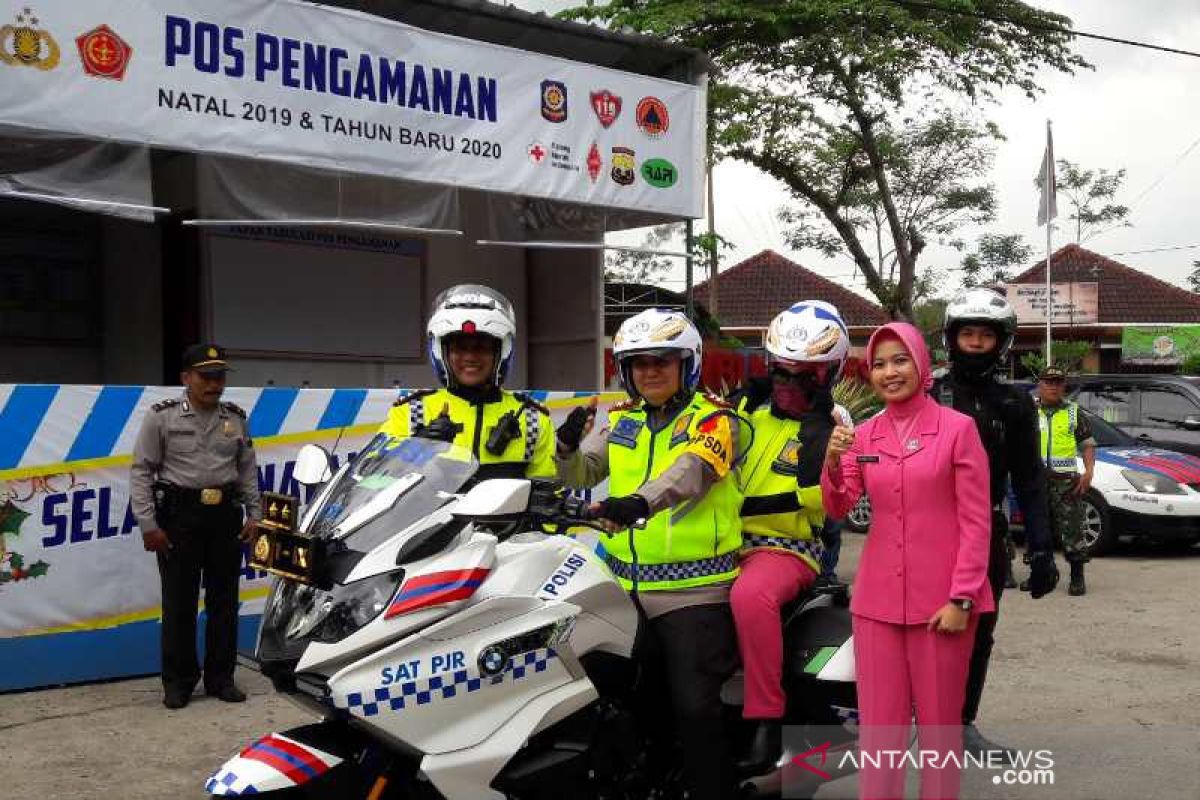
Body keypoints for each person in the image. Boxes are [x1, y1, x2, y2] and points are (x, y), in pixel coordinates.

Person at [555, 308, 743, 800]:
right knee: (615, 703)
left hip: (692, 594)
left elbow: (689, 473)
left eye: (663, 360)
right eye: (639, 363)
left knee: (694, 709)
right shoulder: (622, 421)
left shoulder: (717, 420)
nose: (651, 371)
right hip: (617, 588)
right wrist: (565, 447)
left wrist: (638, 501)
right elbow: (582, 475)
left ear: (689, 364)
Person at [822, 322, 993, 800]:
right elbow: (838, 506)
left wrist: (962, 597)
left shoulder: (958, 431)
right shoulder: (863, 434)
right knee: (880, 734)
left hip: (944, 605)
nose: (889, 372)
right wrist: (833, 462)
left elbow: (977, 522)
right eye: (879, 364)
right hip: (876, 605)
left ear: (921, 365)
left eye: (900, 360)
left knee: (938, 733)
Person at [726, 300, 852, 773]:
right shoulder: (744, 406)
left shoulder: (834, 426)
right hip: (721, 540)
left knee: (751, 596)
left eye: (807, 375)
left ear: (830, 373)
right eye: (782, 372)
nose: (791, 385)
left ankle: (766, 717)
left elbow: (822, 503)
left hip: (785, 546)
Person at [934, 288, 1059, 755]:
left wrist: (1043, 547)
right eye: (967, 333)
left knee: (978, 633)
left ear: (1002, 342)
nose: (975, 342)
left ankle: (962, 724)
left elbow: (1029, 478)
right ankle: (916, 719)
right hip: (928, 533)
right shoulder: (931, 394)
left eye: (985, 335)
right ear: (952, 337)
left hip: (986, 534)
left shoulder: (1016, 404)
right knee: (920, 629)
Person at [130, 344, 261, 709]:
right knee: (179, 602)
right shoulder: (162, 418)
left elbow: (246, 469)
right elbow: (142, 471)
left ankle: (221, 678)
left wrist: (256, 515)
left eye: (219, 376)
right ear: (185, 378)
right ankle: (179, 681)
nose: (214, 384)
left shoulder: (235, 418)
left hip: (224, 518)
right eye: (206, 376)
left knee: (224, 601)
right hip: (179, 518)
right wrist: (148, 524)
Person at [377, 284, 555, 481]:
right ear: (442, 352)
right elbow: (377, 477)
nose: (470, 357)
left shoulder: (532, 419)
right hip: (432, 513)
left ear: (501, 352)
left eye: (481, 347)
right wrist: (420, 447)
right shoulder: (411, 412)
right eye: (460, 347)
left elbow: (545, 492)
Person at [1033, 365, 1096, 596]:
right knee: (1038, 529)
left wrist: (1089, 472)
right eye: (1048, 382)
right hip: (1036, 480)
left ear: (1063, 386)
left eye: (1057, 382)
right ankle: (1039, 575)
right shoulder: (1029, 410)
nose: (1053, 386)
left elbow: (1088, 443)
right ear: (1040, 384)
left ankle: (1077, 577)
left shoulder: (1073, 411)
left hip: (1066, 481)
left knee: (1072, 529)